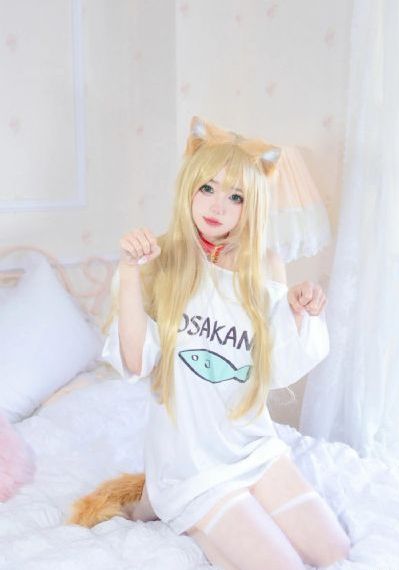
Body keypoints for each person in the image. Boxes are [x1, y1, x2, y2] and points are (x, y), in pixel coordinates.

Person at [102, 116, 351, 569]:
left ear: (251, 206)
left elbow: (278, 369)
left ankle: (180, 508)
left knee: (335, 551)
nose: (218, 205)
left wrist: (298, 311)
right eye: (207, 188)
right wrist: (130, 271)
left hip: (251, 444)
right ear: (189, 189)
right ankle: (167, 502)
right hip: (190, 460)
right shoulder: (161, 260)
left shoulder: (266, 263)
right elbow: (135, 362)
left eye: (236, 196)